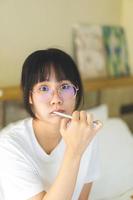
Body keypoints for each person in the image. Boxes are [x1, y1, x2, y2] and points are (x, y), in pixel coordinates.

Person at [0, 48, 102, 200]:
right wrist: (75, 151)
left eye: (65, 86)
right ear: (29, 96)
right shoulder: (9, 145)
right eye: (44, 88)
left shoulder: (86, 134)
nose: (56, 99)